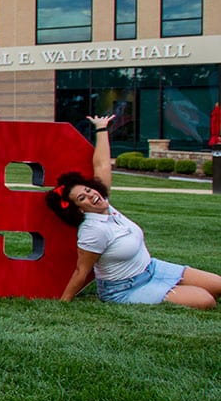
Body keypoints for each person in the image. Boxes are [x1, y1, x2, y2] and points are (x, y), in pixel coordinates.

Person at [46, 115, 221, 309]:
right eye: (82, 198)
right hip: (124, 288)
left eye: (87, 190)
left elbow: (102, 166)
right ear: (79, 209)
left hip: (152, 268)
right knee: (206, 300)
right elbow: (82, 270)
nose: (90, 195)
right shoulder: (92, 230)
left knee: (218, 286)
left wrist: (101, 128)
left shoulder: (105, 205)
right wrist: (64, 303)